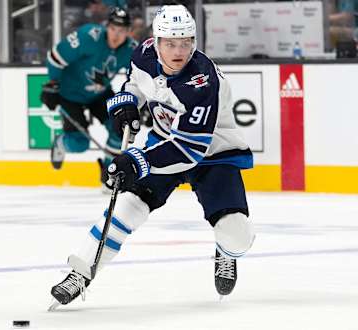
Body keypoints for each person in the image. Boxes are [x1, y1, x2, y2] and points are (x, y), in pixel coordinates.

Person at [49, 5, 255, 308]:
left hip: (213, 154)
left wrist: (136, 160)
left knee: (235, 233)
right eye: (170, 43)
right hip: (164, 143)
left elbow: (188, 150)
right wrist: (127, 102)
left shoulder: (202, 81)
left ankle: (225, 250)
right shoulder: (143, 54)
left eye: (185, 42)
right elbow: (135, 83)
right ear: (156, 42)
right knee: (126, 209)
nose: (178, 51)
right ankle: (80, 273)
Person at [41, 7, 137, 188]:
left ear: (128, 32)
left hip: (100, 94)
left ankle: (109, 173)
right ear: (106, 26)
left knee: (121, 128)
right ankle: (60, 143)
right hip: (69, 95)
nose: (116, 35)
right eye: (113, 29)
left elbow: (141, 77)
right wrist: (53, 84)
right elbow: (55, 56)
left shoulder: (130, 49)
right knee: (79, 144)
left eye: (122, 31)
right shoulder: (88, 37)